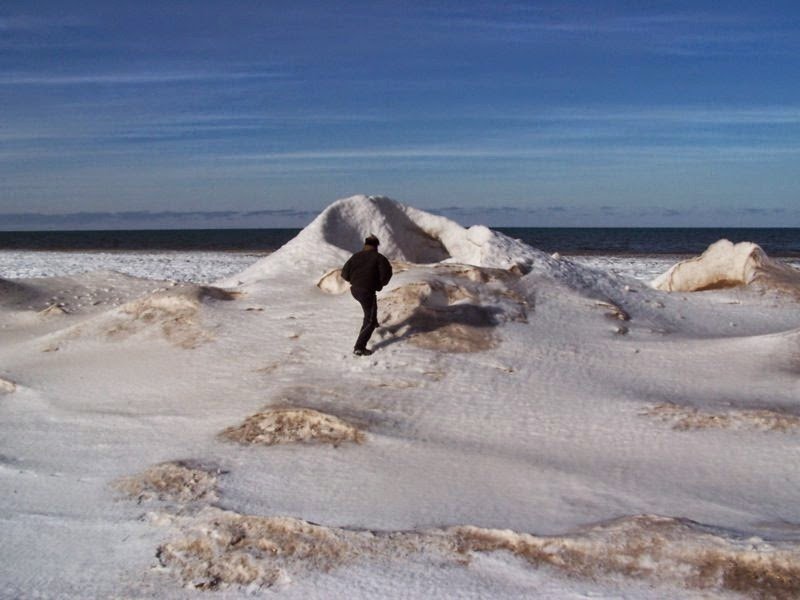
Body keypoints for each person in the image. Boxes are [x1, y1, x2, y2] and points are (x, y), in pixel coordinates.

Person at [341, 234, 393, 356]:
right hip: (366, 290)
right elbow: (386, 274)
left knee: (370, 309)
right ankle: (359, 347)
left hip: (355, 290)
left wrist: (355, 281)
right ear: (376, 246)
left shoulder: (355, 256)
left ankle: (373, 322)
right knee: (369, 320)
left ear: (365, 244)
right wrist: (380, 285)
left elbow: (344, 273)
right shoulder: (379, 258)